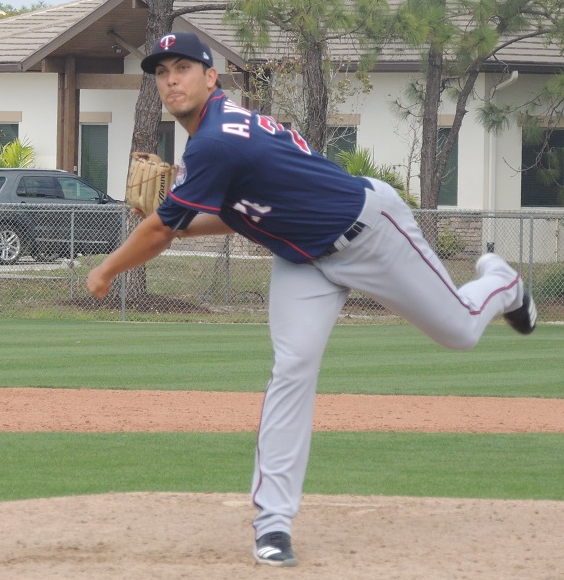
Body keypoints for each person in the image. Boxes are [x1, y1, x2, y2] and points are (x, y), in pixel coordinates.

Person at [86, 31, 538, 567]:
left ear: (212, 78)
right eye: (161, 72)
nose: (170, 80)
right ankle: (273, 524)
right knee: (292, 370)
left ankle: (500, 283)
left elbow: (160, 233)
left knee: (460, 331)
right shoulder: (218, 136)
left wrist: (106, 268)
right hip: (305, 260)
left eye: (182, 68)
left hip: (370, 231)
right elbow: (232, 216)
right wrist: (175, 222)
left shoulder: (213, 142)